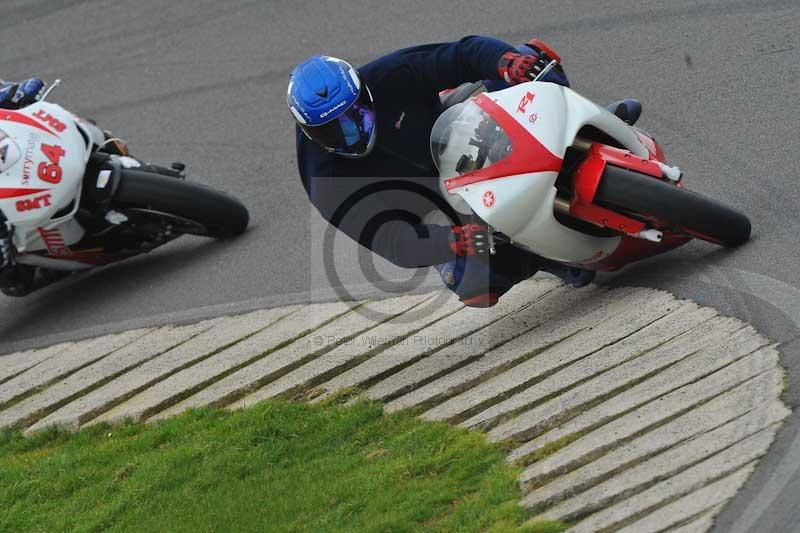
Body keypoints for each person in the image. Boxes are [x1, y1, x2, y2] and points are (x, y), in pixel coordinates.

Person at [289, 35, 641, 307]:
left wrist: (505, 62)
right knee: (475, 285)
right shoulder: (326, 182)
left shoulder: (388, 76)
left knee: (531, 61)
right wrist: (448, 242)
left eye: (356, 113)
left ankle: (595, 126)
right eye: (332, 130)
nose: (353, 131)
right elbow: (390, 239)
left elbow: (459, 55)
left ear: (363, 90)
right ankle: (546, 256)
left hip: (453, 133)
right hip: (429, 205)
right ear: (309, 131)